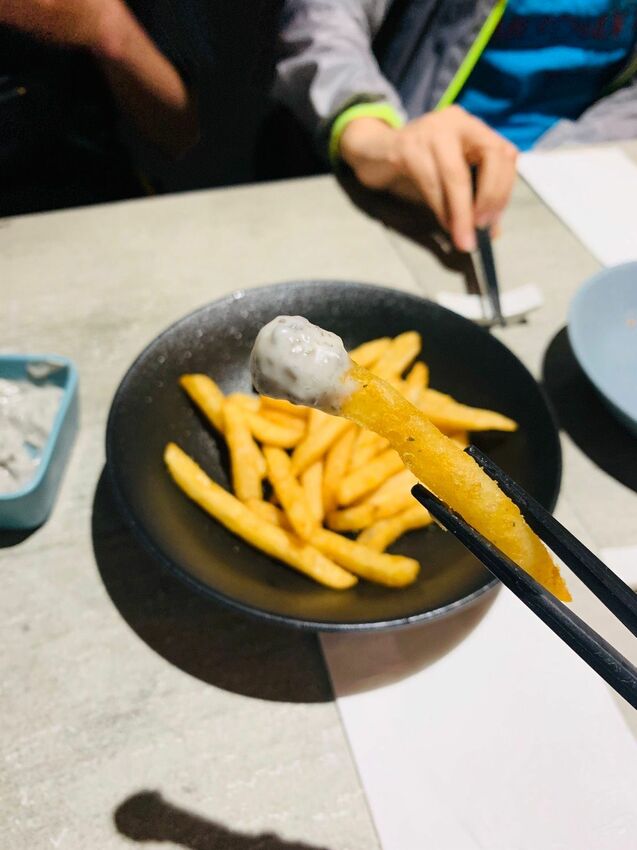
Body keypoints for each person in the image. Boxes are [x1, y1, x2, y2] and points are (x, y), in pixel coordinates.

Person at [274, 1, 637, 251]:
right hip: (415, 164)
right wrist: (364, 121)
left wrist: (561, 162)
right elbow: (324, 14)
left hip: (577, 183)